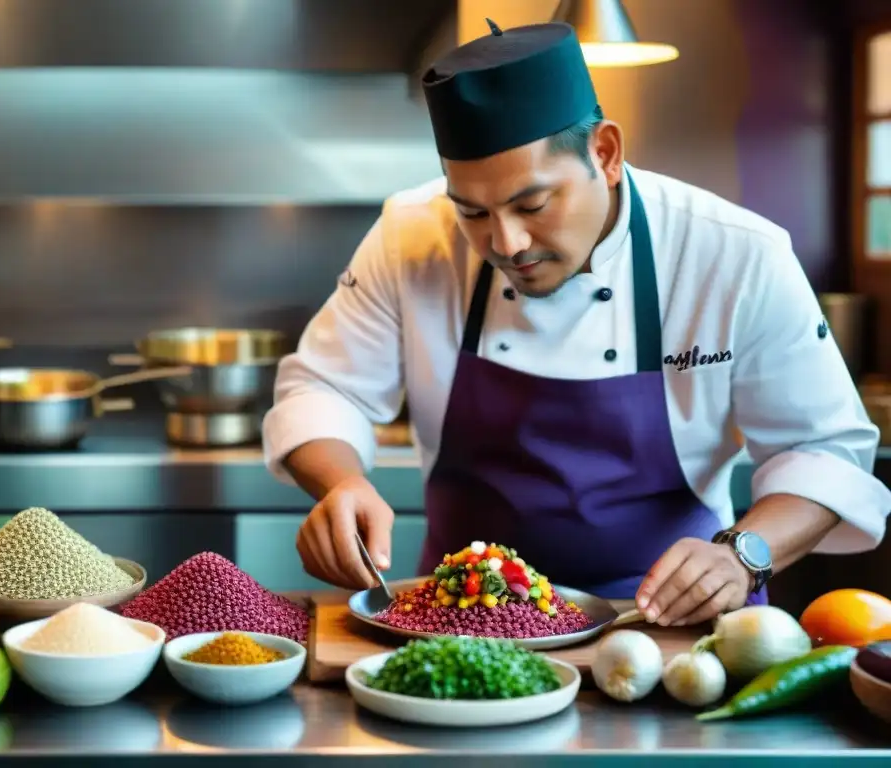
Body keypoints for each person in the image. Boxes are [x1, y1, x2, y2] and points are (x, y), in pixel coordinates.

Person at [262, 19, 891, 627]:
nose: (506, 242)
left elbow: (823, 450)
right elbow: (326, 387)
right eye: (472, 212)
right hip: (459, 619)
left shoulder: (734, 253)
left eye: (532, 204)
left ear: (606, 153)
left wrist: (741, 554)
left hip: (669, 625)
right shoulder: (410, 232)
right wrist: (340, 483)